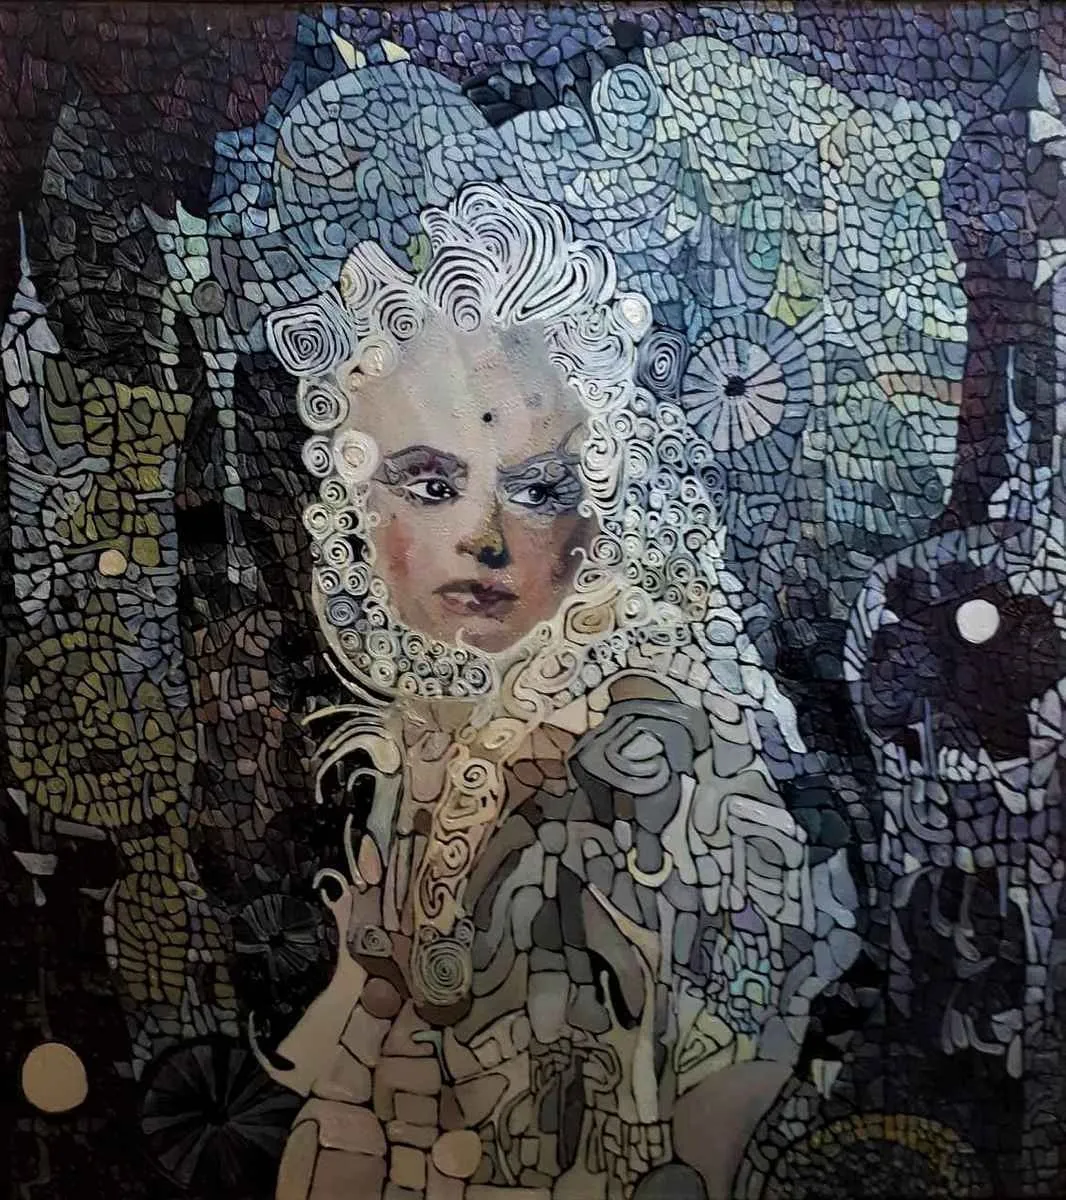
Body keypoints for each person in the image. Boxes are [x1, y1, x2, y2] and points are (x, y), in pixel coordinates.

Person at [263, 182, 859, 1200]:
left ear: (600, 515)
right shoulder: (429, 730)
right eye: (432, 484)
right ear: (354, 500)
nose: (487, 538)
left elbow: (715, 1102)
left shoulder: (654, 755)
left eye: (538, 491)